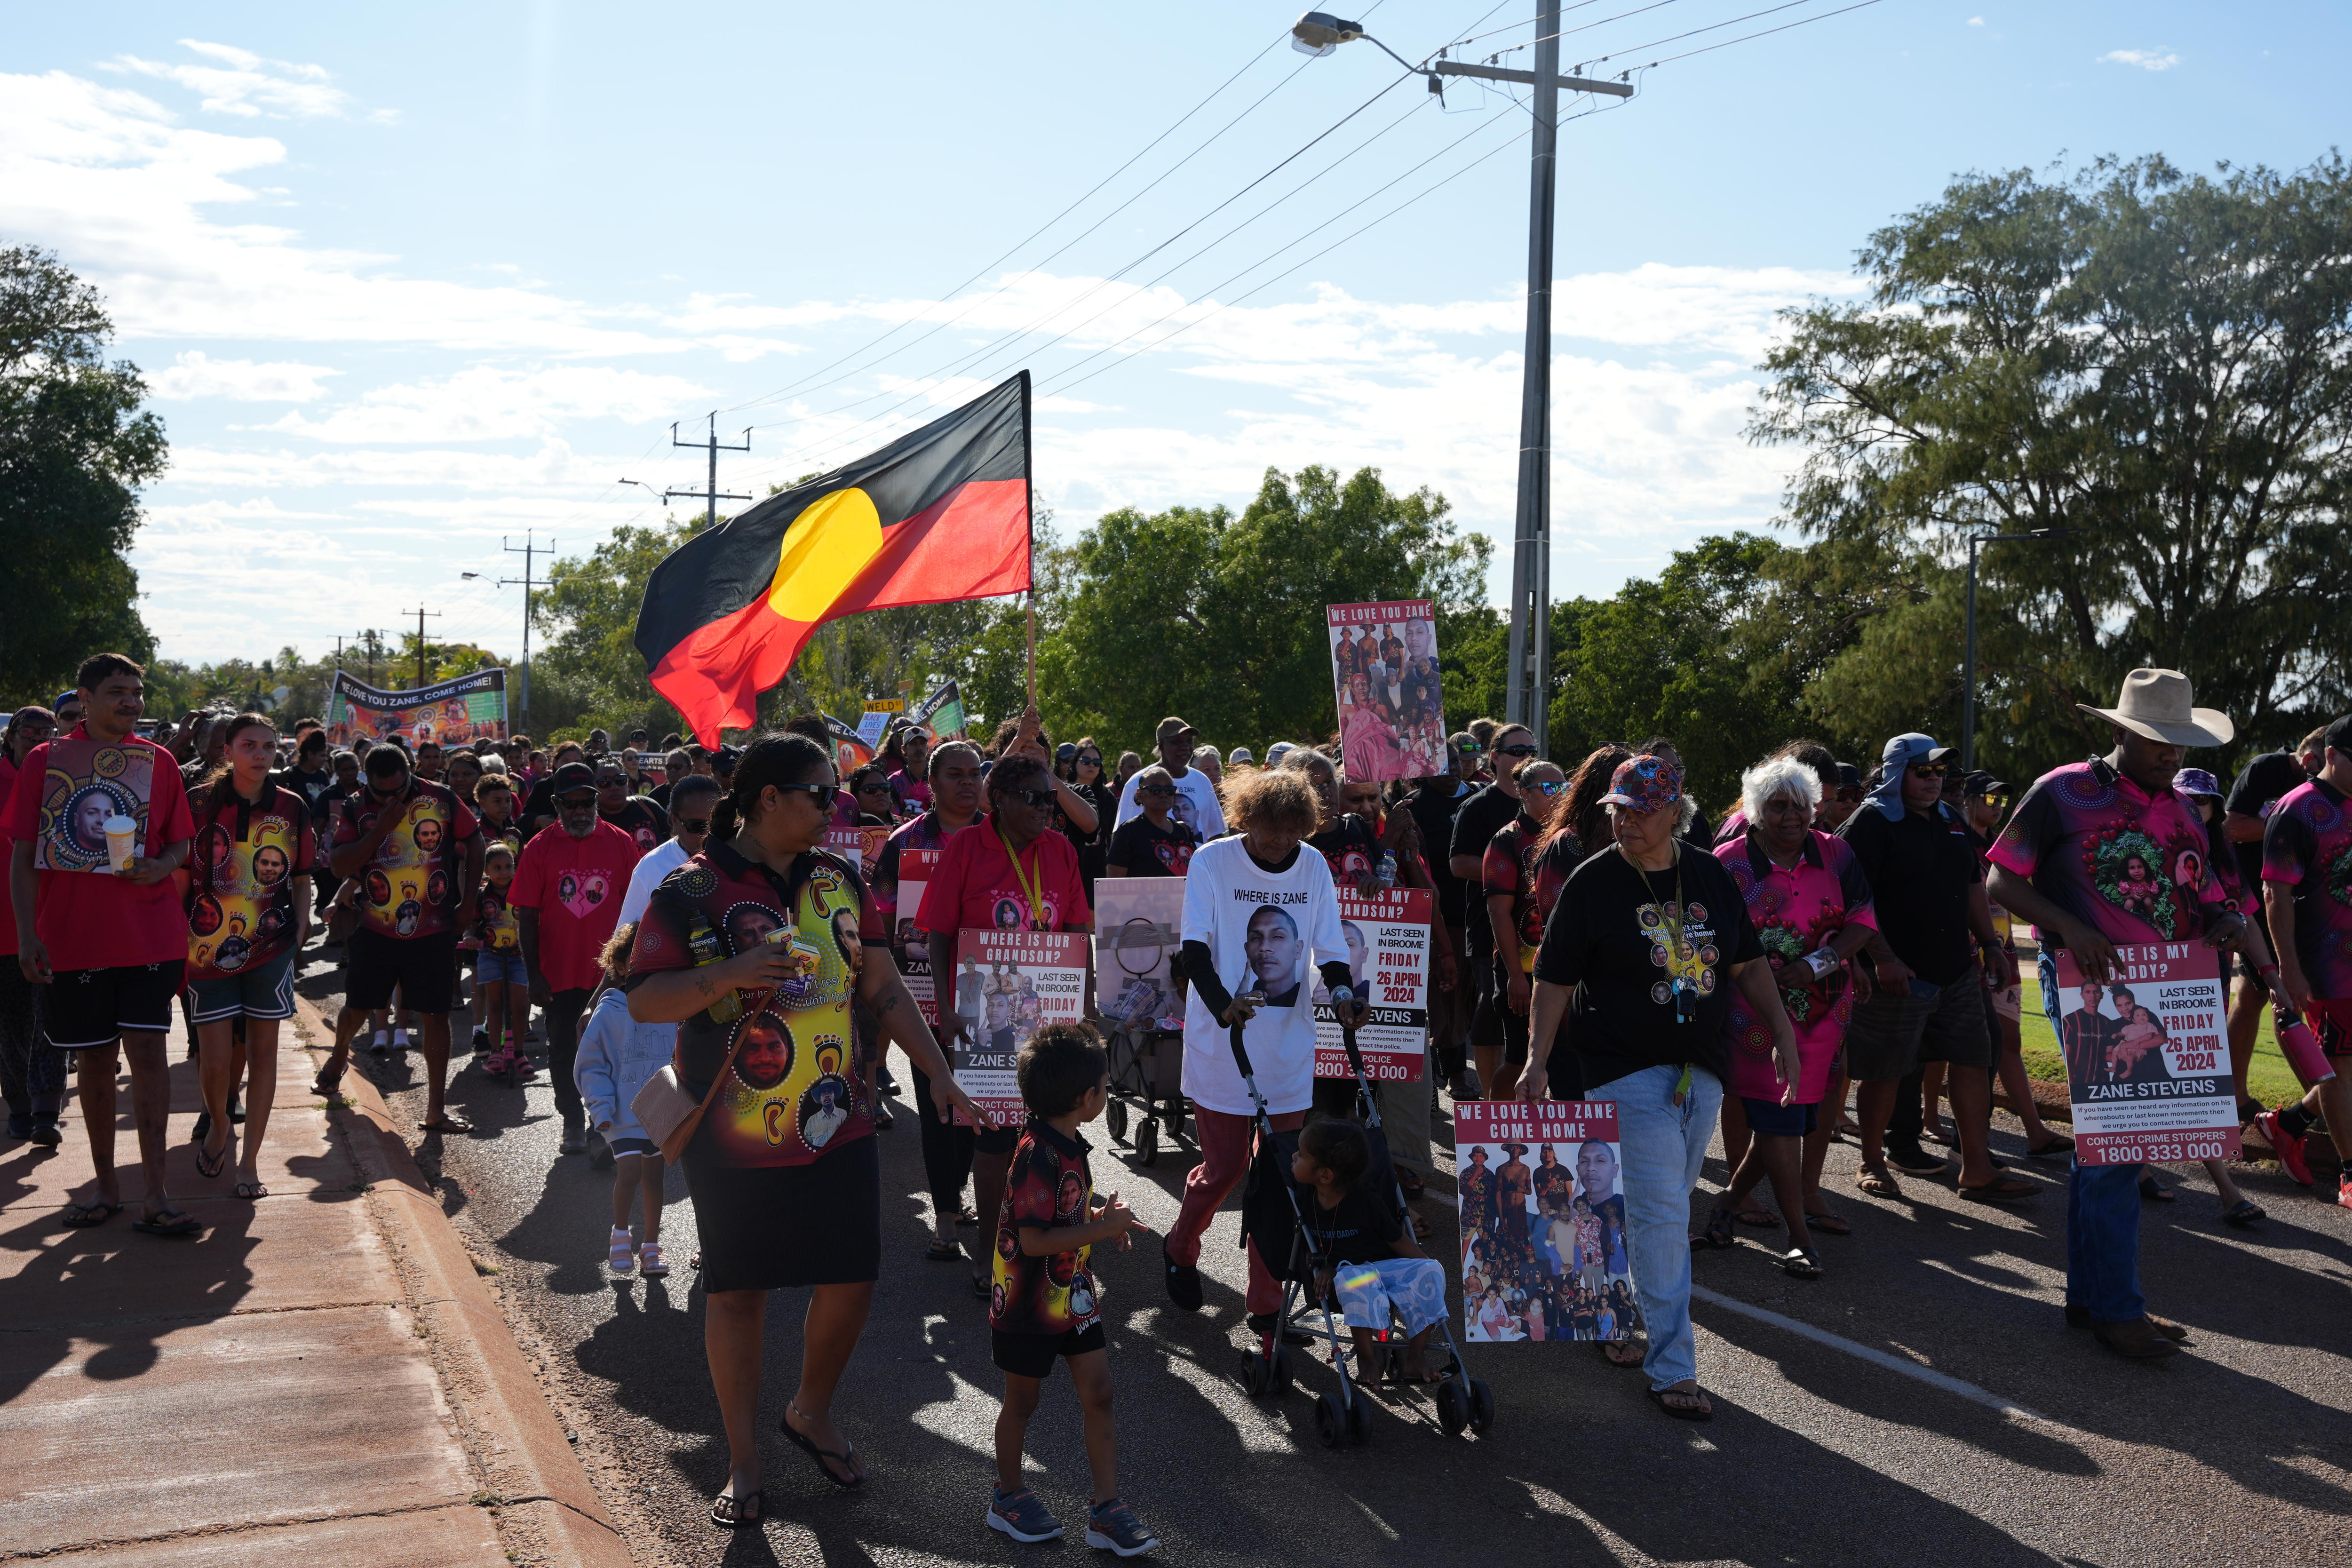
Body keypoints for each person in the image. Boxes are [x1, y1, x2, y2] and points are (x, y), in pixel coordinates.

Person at [626, 732, 987, 1521]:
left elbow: (884, 987)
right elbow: (646, 997)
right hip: (733, 1130)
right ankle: (744, 1460)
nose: (836, 806)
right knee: (740, 1293)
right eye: (821, 794)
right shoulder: (692, 888)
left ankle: (810, 1409)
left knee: (852, 1276)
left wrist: (940, 1074)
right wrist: (727, 974)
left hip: (838, 1115)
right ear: (768, 799)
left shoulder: (841, 878)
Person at [1520, 754, 1797, 1417]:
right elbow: (1553, 979)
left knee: (1654, 1205)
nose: (1627, 821)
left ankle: (1613, 1313)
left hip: (1700, 1073)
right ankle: (1674, 1366)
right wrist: (1535, 1061)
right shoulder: (1592, 883)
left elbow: (1749, 963)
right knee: (1665, 1219)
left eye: (1643, 810)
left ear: (1677, 810)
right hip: (1618, 1071)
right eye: (1619, 809)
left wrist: (1784, 1034)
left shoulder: (1708, 873)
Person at [1986, 668, 2245, 1359]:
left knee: (2109, 1153)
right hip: (2087, 985)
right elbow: (2002, 878)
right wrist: (2070, 927)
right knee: (2120, 1152)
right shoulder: (2064, 791)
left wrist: (2221, 917)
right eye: (2159, 742)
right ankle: (2120, 1311)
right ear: (2122, 732)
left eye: (2181, 744)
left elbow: (2209, 884)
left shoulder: (2183, 806)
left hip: (2169, 985)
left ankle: (2092, 1299)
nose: (2172, 755)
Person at [1162, 766, 1367, 1340]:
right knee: (1226, 1169)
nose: (1281, 843)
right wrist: (1222, 1003)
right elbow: (1195, 946)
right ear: (1245, 819)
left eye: (1291, 833)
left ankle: (1265, 1304)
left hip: (1285, 1048)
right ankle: (1180, 1246)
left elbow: (1329, 948)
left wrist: (1346, 993)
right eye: (1270, 831)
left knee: (1280, 1178)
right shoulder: (1213, 862)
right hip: (1223, 1039)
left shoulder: (1312, 866)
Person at [9, 654, 201, 1233]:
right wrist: (26, 935)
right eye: (118, 691)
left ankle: (157, 1195)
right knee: (93, 1060)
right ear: (84, 698)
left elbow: (182, 846)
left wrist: (160, 864)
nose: (131, 702)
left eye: (137, 692)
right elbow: (23, 857)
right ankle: (106, 1186)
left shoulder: (159, 761)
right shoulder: (46, 762)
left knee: (148, 1056)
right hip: (74, 940)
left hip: (151, 936)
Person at [916, 751, 1092, 1297]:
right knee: (992, 1137)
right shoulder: (967, 847)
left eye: (1052, 799)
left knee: (1052, 1132)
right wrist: (946, 1008)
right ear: (1003, 799)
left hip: (1045, 1014)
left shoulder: (1060, 850)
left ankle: (1055, 1243)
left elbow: (1077, 928)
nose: (1048, 809)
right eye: (1036, 798)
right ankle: (991, 1249)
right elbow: (940, 931)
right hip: (984, 1014)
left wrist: (1082, 1003)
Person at [1693, 756, 1876, 1276]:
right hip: (1749, 1015)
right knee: (1778, 1120)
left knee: (1791, 1120)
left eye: (1799, 805)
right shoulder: (1726, 862)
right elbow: (1703, 936)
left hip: (1823, 1013)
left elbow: (1862, 921)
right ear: (1756, 811)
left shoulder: (1837, 853)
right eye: (1777, 806)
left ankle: (1725, 1206)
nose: (1790, 817)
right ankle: (1798, 1238)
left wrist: (1813, 965)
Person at [985, 1023, 1158, 1555]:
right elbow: (1033, 1239)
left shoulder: (1065, 1143)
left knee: (1099, 1393)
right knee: (1023, 1400)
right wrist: (1103, 1229)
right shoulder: (1036, 1153)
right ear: (1087, 1099)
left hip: (1073, 1294)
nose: (1105, 1095)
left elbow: (1061, 1214)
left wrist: (1098, 1217)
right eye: (1105, 1088)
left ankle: (1105, 1509)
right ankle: (1007, 1496)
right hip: (1026, 1304)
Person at [1836, 734, 2029, 1202]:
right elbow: (1851, 900)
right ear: (1894, 770)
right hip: (1898, 974)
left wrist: (1990, 945)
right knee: (1884, 1072)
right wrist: (1882, 959)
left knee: (1972, 1059)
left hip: (1956, 971)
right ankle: (1871, 1162)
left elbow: (1971, 887)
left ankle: (1977, 1168)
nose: (1932, 780)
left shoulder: (1950, 820)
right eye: (1921, 771)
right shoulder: (1870, 823)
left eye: (1938, 773)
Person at [316, 742, 483, 1133]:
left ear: (410, 773)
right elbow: (340, 864)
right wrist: (381, 828)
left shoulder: (439, 797)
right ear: (366, 781)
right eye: (383, 793)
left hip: (435, 928)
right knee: (357, 1007)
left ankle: (436, 1111)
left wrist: (467, 903)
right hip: (377, 929)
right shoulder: (356, 806)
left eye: (400, 789)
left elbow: (474, 841)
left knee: (435, 1015)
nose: (393, 798)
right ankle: (339, 1057)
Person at [185, 714, 315, 1202]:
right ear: (229, 750)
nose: (260, 754)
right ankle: (219, 1123)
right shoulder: (199, 802)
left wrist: (300, 928)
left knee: (264, 1055)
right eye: (248, 745)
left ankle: (250, 1162)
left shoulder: (291, 806)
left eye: (267, 745)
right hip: (206, 949)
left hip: (272, 948)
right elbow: (180, 868)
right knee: (215, 1060)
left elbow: (301, 876)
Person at [515, 761, 642, 1159]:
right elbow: (528, 917)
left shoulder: (622, 843)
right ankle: (571, 1118)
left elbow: (637, 911)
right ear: (556, 804)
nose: (581, 811)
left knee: (613, 1048)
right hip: (558, 974)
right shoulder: (539, 848)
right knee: (564, 1048)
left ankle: (599, 1123)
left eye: (587, 801)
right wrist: (533, 974)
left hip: (611, 975)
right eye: (571, 804)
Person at [2255, 713, 2352, 1207]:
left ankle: (2286, 1124)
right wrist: (2286, 969)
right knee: (2337, 1069)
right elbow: (2274, 893)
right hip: (2326, 967)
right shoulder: (2298, 809)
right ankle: (2349, 1173)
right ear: (2330, 756)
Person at [1293, 1117, 1449, 1382]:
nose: (1294, 1156)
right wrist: (1323, 1265)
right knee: (1353, 1278)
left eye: (1302, 1155)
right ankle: (1367, 1359)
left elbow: (1396, 1239)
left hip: (1382, 1268)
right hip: (1348, 1275)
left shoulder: (1365, 1199)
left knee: (1431, 1270)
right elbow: (1305, 1247)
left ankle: (1416, 1356)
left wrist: (1425, 1264)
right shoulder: (1305, 1198)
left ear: (1325, 1175)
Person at [2222, 724, 2328, 1110]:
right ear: (2310, 759)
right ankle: (2321, 1101)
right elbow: (2232, 827)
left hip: (2297, 906)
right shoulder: (2266, 769)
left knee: (2253, 997)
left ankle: (2236, 1095)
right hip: (2258, 901)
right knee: (2285, 998)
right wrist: (2293, 825)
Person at [574, 922, 673, 1276]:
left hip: (660, 1110)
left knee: (655, 1178)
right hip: (620, 1112)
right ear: (619, 966)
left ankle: (651, 1245)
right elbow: (591, 1063)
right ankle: (620, 1234)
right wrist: (600, 1106)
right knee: (629, 1172)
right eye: (635, 959)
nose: (644, 966)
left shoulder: (671, 1008)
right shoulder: (609, 1011)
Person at [1448, 723, 1539, 1098]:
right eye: (1517, 751)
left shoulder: (1543, 803)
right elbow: (1457, 864)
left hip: (1538, 935)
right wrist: (1508, 874)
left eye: (1531, 750)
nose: (1525, 757)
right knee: (1492, 1016)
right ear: (1496, 757)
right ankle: (1491, 1101)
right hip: (1490, 929)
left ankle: (1530, 1099)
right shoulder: (1478, 805)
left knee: (1537, 1019)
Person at [1481, 758, 1569, 1101]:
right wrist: (1515, 977)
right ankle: (1494, 1122)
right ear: (1525, 793)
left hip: (1562, 969)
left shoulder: (1569, 838)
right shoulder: (1508, 840)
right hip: (1522, 969)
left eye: (1564, 787)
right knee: (1519, 1058)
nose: (1560, 795)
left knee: (1562, 1059)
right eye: (1550, 788)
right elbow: (1498, 912)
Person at [0, 705, 66, 1144]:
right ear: (11, 736)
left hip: (53, 919)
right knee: (12, 1023)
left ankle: (47, 1110)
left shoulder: (62, 781)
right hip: (5, 924)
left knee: (52, 1021)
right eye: (30, 730)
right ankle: (19, 1104)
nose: (38, 736)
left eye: (48, 731)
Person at [469, 842, 536, 1079]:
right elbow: (473, 922)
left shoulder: (523, 892)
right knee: (495, 1005)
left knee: (520, 1007)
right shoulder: (481, 896)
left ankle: (518, 1053)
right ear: (487, 870)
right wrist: (469, 936)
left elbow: (532, 919)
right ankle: (496, 1051)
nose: (504, 872)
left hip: (519, 956)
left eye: (509, 867)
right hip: (491, 955)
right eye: (497, 868)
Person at [617, 773, 720, 929]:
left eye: (715, 824)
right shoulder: (651, 867)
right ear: (674, 820)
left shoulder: (742, 858)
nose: (707, 834)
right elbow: (626, 940)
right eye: (696, 826)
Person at [1112, 716, 1225, 839]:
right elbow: (1122, 835)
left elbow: (1216, 834)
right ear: (1161, 746)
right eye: (1176, 742)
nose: (1185, 747)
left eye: (1189, 741)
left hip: (1198, 858)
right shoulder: (1138, 782)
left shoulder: (1202, 781)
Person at [1103, 764, 1197, 877]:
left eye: (1169, 790)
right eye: (1155, 790)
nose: (1163, 794)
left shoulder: (1183, 831)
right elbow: (1114, 884)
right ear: (1140, 794)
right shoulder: (1129, 831)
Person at [595, 757, 670, 853]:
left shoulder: (646, 806)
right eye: (605, 782)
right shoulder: (588, 820)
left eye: (620, 780)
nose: (614, 787)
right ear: (593, 786)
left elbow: (678, 839)